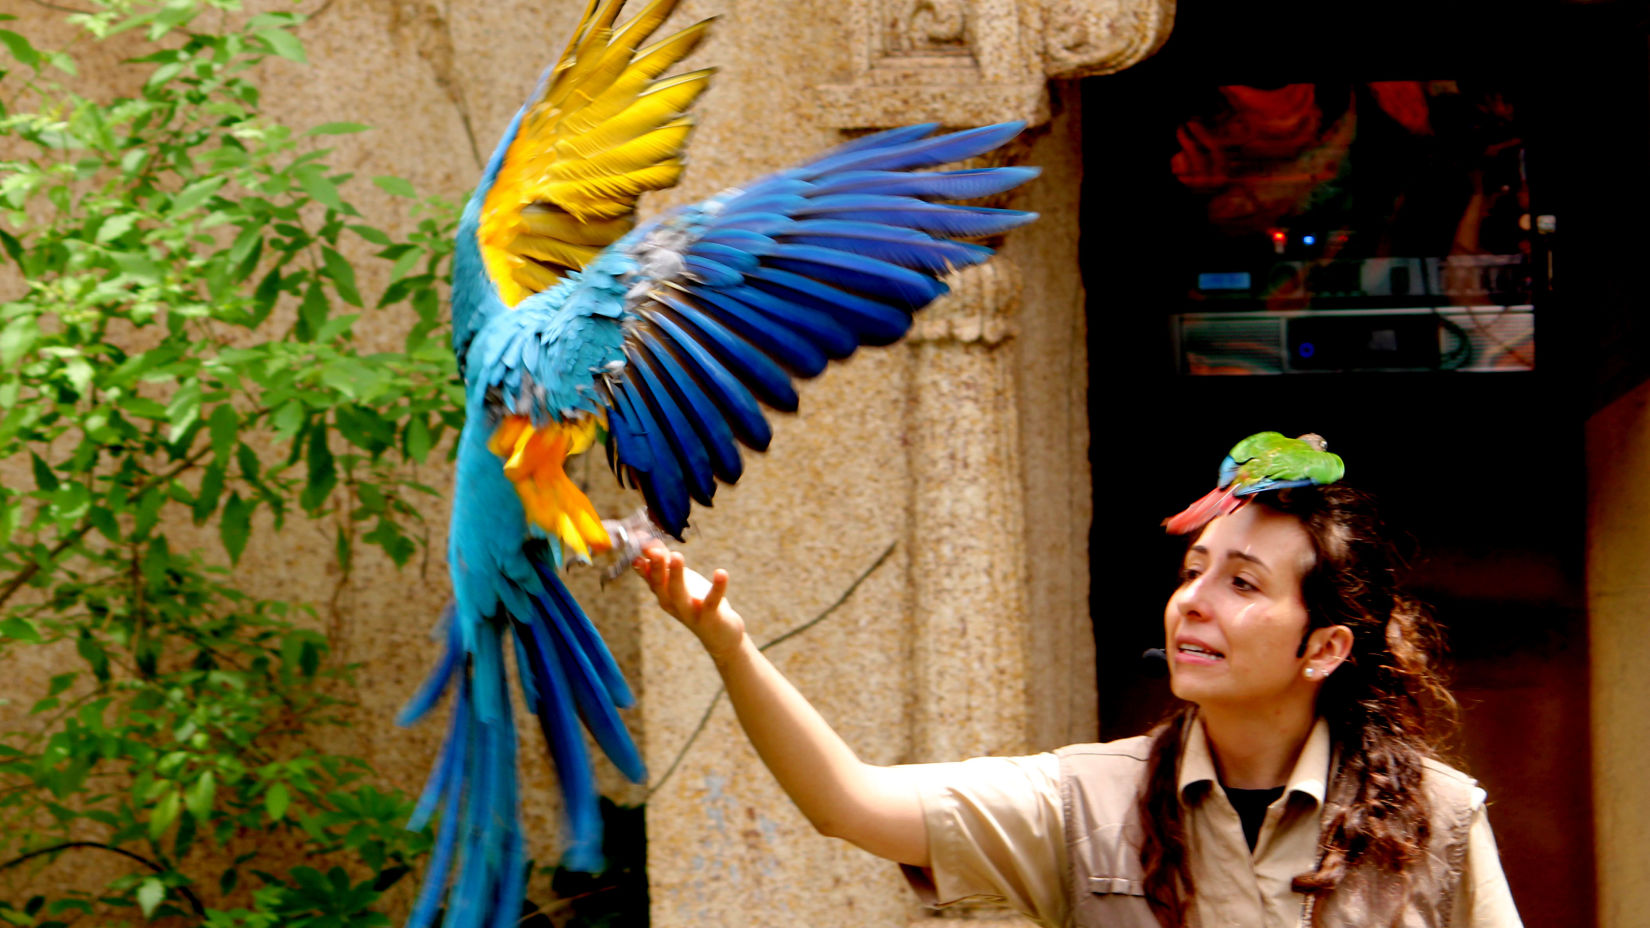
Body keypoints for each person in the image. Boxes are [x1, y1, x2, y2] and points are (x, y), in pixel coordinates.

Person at [635, 482, 1523, 928]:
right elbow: (849, 804)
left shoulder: (1435, 820)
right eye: (1192, 572)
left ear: (1323, 647)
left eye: (1242, 582)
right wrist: (732, 648)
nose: (1194, 602)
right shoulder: (1089, 802)